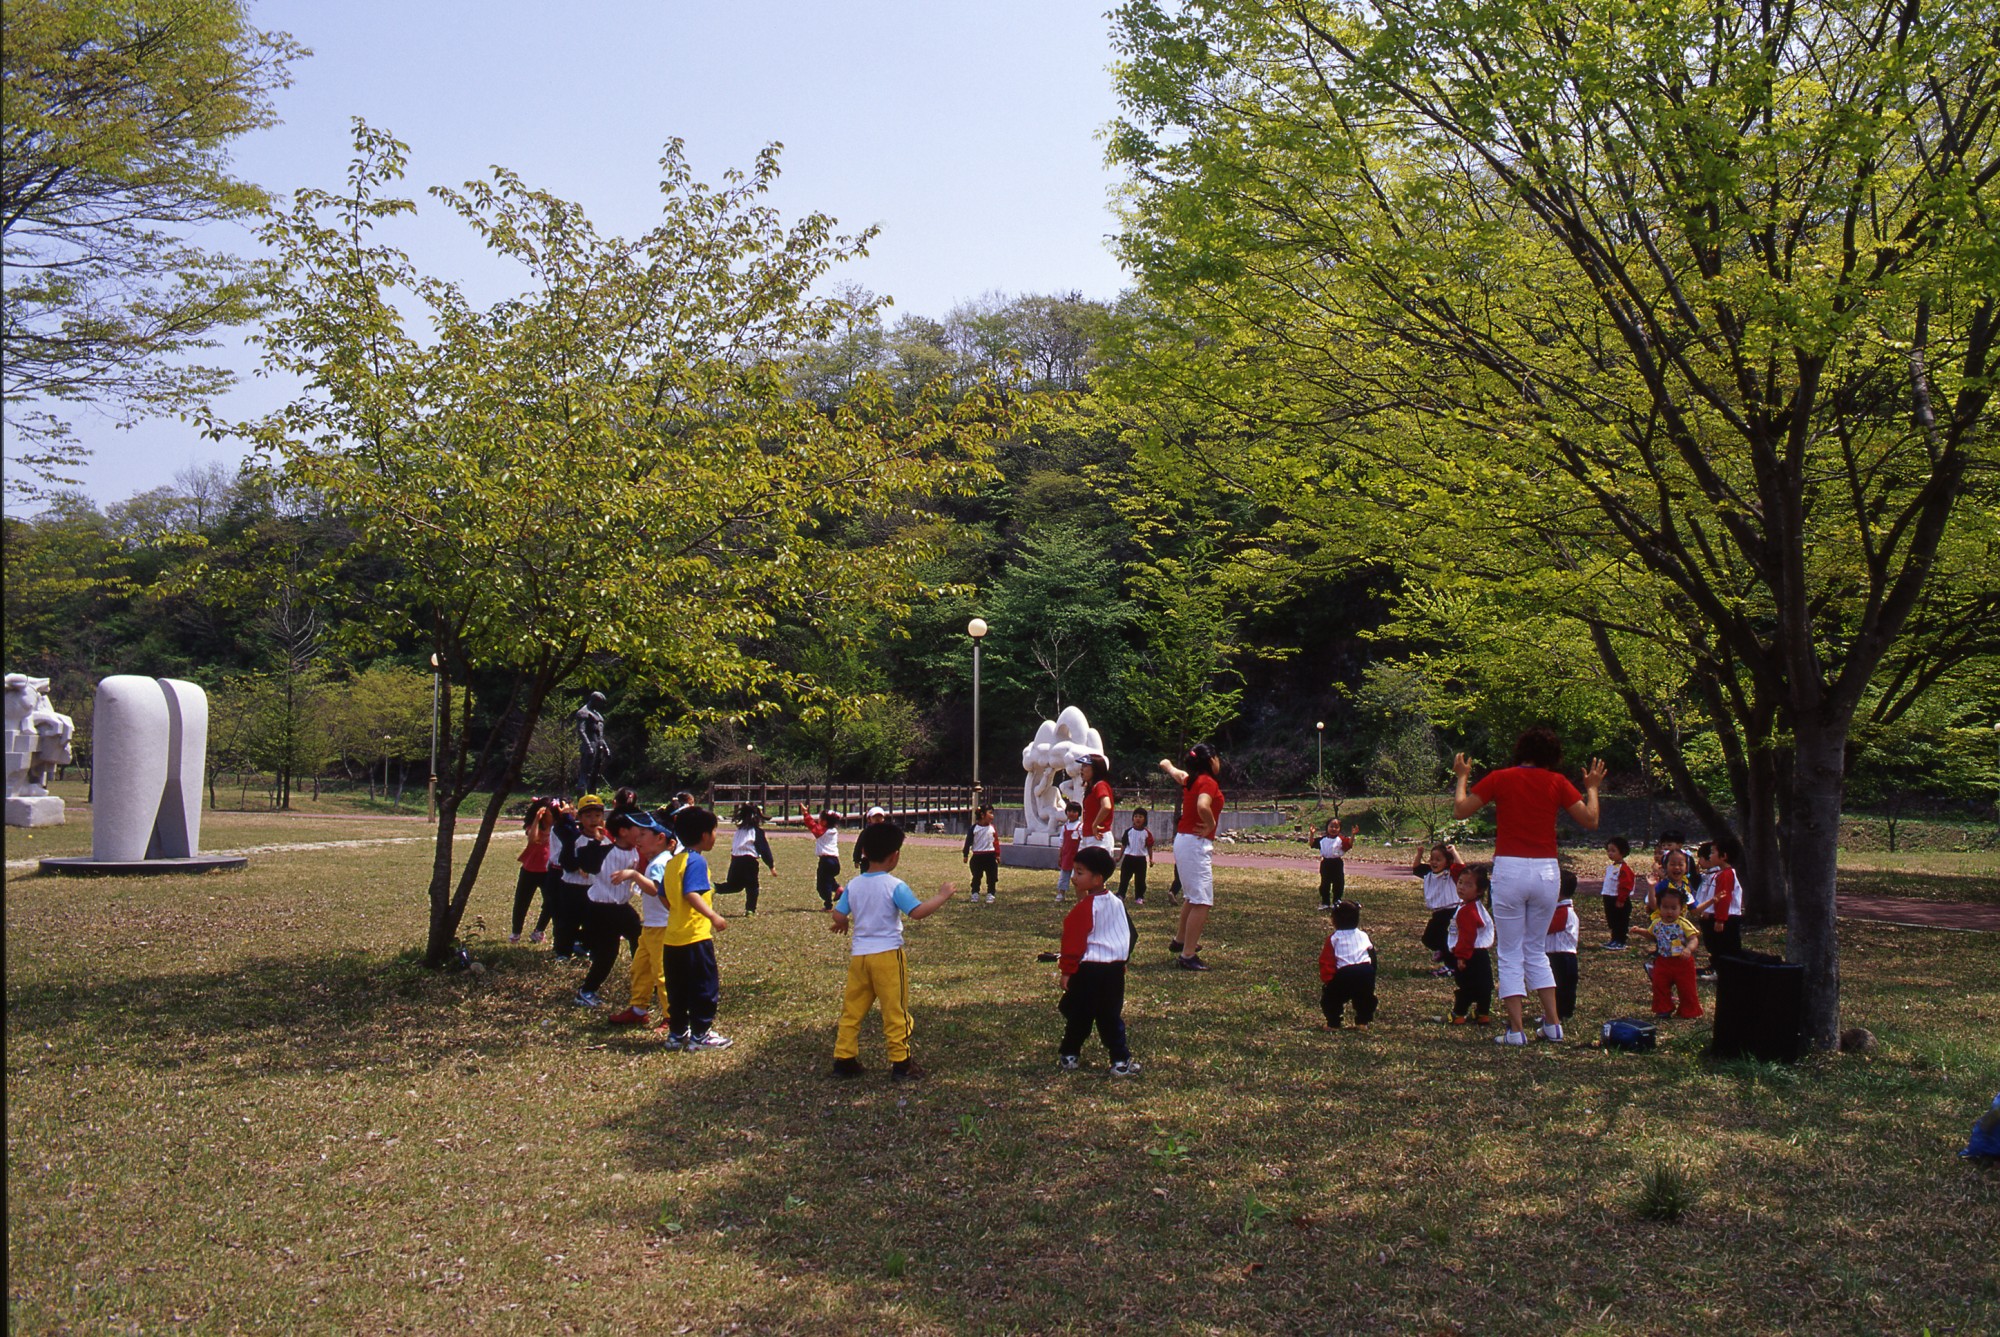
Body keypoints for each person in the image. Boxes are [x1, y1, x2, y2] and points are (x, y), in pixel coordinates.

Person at [1451, 727, 1605, 1046]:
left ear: (1521, 750)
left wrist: (1463, 777)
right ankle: (1552, 1024)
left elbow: (1461, 809)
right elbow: (1590, 820)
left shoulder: (1500, 777)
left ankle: (1516, 1030)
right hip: (1547, 872)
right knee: (1536, 950)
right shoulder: (1558, 782)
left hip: (1510, 869)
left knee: (1509, 952)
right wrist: (1591, 787)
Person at [829, 823, 958, 1081]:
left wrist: (842, 922)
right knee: (895, 1010)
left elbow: (838, 912)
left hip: (860, 958)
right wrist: (942, 896)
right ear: (895, 855)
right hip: (887, 957)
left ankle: (844, 1058)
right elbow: (917, 912)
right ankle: (901, 1063)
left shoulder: (854, 885)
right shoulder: (895, 885)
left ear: (864, 851)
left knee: (852, 1010)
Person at [651, 807, 733, 1049]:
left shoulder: (673, 861)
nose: (716, 835)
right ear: (705, 835)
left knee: (678, 990)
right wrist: (713, 916)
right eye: (715, 831)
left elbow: (664, 896)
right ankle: (701, 1035)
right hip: (695, 938)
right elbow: (691, 894)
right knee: (704, 987)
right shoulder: (696, 861)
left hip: (672, 938)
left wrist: (677, 912)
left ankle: (677, 1034)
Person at [1056, 846, 1139, 1075]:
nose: (1074, 877)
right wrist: (1121, 960)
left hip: (1088, 971)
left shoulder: (1085, 908)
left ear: (1097, 878)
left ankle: (1069, 1054)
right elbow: (1130, 934)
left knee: (1079, 1015)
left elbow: (1072, 942)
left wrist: (1067, 970)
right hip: (1113, 971)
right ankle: (1120, 1060)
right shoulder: (1116, 902)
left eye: (1080, 872)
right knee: (1110, 1017)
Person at [606, 811, 681, 1029]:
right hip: (651, 927)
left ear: (660, 838)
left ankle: (671, 1016)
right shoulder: (657, 860)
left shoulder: (660, 863)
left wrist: (634, 875)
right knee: (641, 968)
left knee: (661, 973)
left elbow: (656, 890)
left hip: (661, 928)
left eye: (643, 834)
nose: (638, 839)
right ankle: (638, 1009)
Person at [1162, 743, 1225, 972]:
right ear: (1210, 761)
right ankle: (1187, 955)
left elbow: (1176, 773)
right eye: (1217, 757)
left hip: (1184, 841)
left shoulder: (1190, 779)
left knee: (1191, 897)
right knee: (1202, 901)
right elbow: (1203, 805)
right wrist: (1210, 824)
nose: (1219, 762)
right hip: (1196, 843)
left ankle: (1180, 940)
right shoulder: (1207, 782)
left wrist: (1166, 764)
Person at [576, 811, 643, 1008]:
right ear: (623, 832)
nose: (641, 833)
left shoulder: (634, 850)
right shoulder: (605, 849)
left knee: (641, 941)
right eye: (637, 829)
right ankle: (586, 991)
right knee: (608, 953)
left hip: (621, 906)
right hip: (602, 908)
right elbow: (586, 863)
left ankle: (647, 983)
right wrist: (595, 842)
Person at [552, 795, 612, 961]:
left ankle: (587, 947)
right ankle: (563, 952)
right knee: (569, 920)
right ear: (579, 817)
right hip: (572, 886)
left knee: (593, 921)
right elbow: (566, 862)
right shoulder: (574, 839)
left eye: (597, 815)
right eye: (588, 816)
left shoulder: (605, 841)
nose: (593, 820)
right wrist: (579, 866)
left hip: (594, 888)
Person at [1446, 864, 1495, 1025]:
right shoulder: (1474, 906)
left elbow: (1467, 936)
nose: (1461, 887)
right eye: (1460, 882)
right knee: (1484, 985)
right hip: (1481, 954)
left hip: (1470, 954)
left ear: (1479, 891)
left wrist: (1461, 957)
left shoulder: (1467, 911)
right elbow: (1455, 870)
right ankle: (1483, 1013)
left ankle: (1459, 1014)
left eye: (1468, 885)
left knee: (1466, 986)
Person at [1318, 900, 1379, 1030]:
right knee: (1364, 997)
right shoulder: (1363, 935)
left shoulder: (1334, 938)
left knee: (1331, 998)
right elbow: (1372, 955)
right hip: (1365, 971)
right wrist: (1372, 972)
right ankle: (1363, 1022)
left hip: (1345, 973)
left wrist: (1329, 981)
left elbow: (1326, 960)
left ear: (1334, 921)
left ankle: (1333, 1023)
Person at [1648, 886, 1703, 1020]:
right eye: (1665, 907)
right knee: (1659, 985)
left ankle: (1689, 1010)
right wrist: (1639, 931)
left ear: (1681, 909)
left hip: (1682, 962)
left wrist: (1688, 949)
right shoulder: (1656, 923)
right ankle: (1663, 1009)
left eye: (1674, 908)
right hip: (1663, 961)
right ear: (1659, 907)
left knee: (1686, 988)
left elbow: (1693, 939)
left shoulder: (1683, 923)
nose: (1669, 912)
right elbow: (1651, 935)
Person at [1415, 842, 1468, 978]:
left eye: (1438, 860)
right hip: (1438, 912)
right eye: (1432, 859)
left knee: (1447, 940)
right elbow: (1416, 868)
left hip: (1451, 911)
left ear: (1447, 861)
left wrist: (1454, 852)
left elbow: (1462, 868)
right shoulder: (1429, 873)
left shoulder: (1450, 873)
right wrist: (1419, 854)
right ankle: (1443, 953)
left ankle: (1451, 966)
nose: (1434, 862)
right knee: (1428, 938)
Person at [713, 802, 775, 914]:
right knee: (752, 887)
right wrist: (771, 865)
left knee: (734, 886)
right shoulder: (757, 832)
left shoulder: (739, 831)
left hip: (736, 861)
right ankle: (750, 910)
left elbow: (734, 847)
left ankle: (714, 887)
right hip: (749, 861)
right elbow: (764, 849)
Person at [511, 798, 557, 944]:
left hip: (548, 871)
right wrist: (537, 819)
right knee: (521, 902)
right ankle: (516, 932)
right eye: (552, 811)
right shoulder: (534, 826)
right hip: (529, 870)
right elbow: (533, 840)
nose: (555, 814)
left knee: (551, 902)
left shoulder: (558, 828)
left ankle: (539, 931)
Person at [1694, 836, 1745, 971]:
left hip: (1727, 918)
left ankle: (1725, 970)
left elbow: (1724, 898)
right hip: (1717, 916)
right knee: (1715, 945)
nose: (1710, 856)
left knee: (1725, 946)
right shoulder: (1719, 874)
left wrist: (1720, 919)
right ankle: (1716, 967)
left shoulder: (1726, 875)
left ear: (1724, 856)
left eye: (1713, 852)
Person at [1546, 869, 1580, 1023]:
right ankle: (1555, 1012)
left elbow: (1549, 927)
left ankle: (1563, 1013)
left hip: (1563, 955)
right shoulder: (1558, 910)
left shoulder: (1564, 911)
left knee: (1564, 986)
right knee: (1555, 985)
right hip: (1555, 954)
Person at [800, 802, 844, 910]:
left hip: (826, 860)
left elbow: (811, 825)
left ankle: (828, 904)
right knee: (828, 879)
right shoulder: (833, 831)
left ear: (824, 822)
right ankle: (838, 889)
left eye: (820, 818)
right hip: (835, 861)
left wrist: (806, 814)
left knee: (822, 885)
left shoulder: (821, 832)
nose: (818, 820)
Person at [1599, 836, 1637, 950]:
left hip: (1619, 899)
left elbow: (1626, 885)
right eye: (1608, 850)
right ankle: (1614, 939)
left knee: (1621, 921)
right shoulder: (1610, 868)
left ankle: (1620, 940)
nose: (1610, 853)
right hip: (1609, 897)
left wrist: (1621, 899)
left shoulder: (1624, 869)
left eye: (1613, 851)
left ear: (1622, 852)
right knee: (1612, 920)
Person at [1311, 817, 1355, 911]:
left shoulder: (1341, 839)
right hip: (1326, 863)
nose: (1333, 829)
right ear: (1327, 827)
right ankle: (1325, 902)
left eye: (1336, 827)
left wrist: (1353, 835)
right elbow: (1312, 844)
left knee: (1338, 883)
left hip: (1337, 863)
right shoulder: (1322, 840)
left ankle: (1336, 901)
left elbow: (1349, 844)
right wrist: (1311, 834)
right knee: (1325, 883)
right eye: (1331, 826)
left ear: (1339, 829)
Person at [1077, 754, 1116, 852]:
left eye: (1085, 766)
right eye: (1081, 766)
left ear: (1096, 769)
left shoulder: (1100, 785)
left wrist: (1095, 825)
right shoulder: (1091, 788)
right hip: (1088, 836)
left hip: (1098, 837)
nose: (1082, 770)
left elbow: (1106, 806)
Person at [1117, 807, 1156, 904]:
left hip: (1140, 859)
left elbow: (1149, 847)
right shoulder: (1128, 832)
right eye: (1136, 816)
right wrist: (1119, 857)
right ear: (1133, 818)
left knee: (1140, 880)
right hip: (1129, 858)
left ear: (1145, 819)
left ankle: (1139, 896)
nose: (1138, 819)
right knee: (1124, 878)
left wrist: (1151, 859)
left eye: (1140, 817)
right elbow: (1124, 845)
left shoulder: (1147, 833)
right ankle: (1121, 894)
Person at [961, 804, 999, 904]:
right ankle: (975, 893)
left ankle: (991, 893)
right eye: (990, 813)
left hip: (990, 856)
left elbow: (996, 842)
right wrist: (965, 854)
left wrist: (997, 854)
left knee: (992, 876)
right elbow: (968, 841)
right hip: (977, 856)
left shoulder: (992, 828)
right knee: (976, 876)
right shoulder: (974, 828)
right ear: (982, 815)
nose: (992, 816)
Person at [1054, 801, 1083, 904]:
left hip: (1077, 856)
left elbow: (1083, 841)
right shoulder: (1064, 827)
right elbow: (1061, 842)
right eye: (1069, 811)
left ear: (1079, 813)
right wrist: (1060, 855)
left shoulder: (1080, 826)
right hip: (1066, 856)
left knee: (1078, 876)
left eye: (1074, 811)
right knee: (1063, 875)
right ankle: (1061, 893)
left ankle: (1081, 895)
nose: (1071, 813)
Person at [852, 804, 889, 872]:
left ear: (883, 818)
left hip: (880, 861)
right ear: (869, 819)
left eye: (880, 816)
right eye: (875, 816)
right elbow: (859, 846)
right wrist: (856, 859)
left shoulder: (885, 832)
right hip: (867, 860)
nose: (877, 819)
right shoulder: (866, 832)